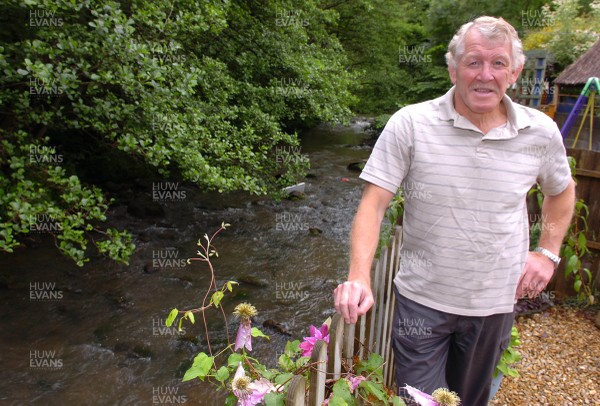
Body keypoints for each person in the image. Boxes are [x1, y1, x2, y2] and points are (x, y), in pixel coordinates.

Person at [333, 16, 576, 405]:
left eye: (498, 63)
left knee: (470, 400)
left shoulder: (540, 133)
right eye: (473, 62)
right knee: (420, 401)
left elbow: (562, 193)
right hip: (421, 302)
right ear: (453, 69)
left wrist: (547, 252)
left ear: (514, 73)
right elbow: (373, 205)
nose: (485, 74)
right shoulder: (410, 124)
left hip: (494, 302)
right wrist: (359, 276)